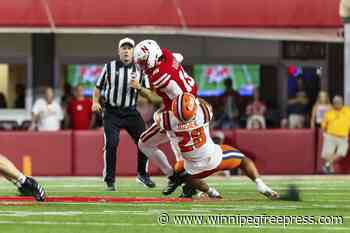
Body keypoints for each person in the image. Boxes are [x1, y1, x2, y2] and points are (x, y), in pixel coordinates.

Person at [154, 93, 279, 199]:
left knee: (179, 170)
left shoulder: (167, 121)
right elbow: (201, 102)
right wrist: (191, 99)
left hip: (193, 170)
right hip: (214, 160)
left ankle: (210, 192)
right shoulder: (203, 112)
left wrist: (172, 107)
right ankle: (261, 185)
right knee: (244, 161)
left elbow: (158, 115)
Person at [133, 40, 198, 195]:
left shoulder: (160, 77)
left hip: (182, 112)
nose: (142, 66)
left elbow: (160, 99)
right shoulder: (167, 54)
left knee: (147, 143)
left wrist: (140, 88)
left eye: (143, 62)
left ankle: (178, 179)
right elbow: (179, 57)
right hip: (193, 102)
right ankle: (184, 181)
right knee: (179, 151)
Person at [92, 37, 156, 191]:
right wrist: (95, 101)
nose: (126, 51)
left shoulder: (140, 69)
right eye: (123, 48)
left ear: (133, 52)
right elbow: (98, 87)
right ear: (118, 51)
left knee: (144, 141)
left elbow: (149, 94)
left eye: (129, 48)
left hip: (131, 112)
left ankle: (142, 174)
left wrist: (138, 87)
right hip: (112, 112)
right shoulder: (109, 67)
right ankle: (110, 180)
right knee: (112, 144)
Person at [321, 95, 350, 174]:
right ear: (333, 103)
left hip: (343, 137)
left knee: (342, 153)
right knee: (327, 154)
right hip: (330, 135)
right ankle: (329, 170)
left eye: (339, 102)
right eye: (335, 102)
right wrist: (325, 133)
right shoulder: (329, 112)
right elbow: (323, 125)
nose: (337, 103)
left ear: (342, 102)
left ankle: (327, 165)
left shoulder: (348, 110)